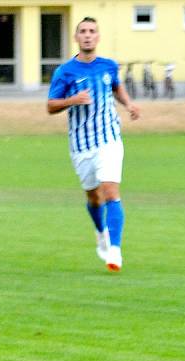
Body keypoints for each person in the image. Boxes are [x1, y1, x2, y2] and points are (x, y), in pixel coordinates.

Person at [47, 17, 139, 272]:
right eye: (83, 32)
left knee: (111, 192)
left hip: (109, 139)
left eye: (92, 31)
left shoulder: (108, 66)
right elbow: (50, 106)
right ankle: (101, 234)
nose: (88, 35)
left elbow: (117, 88)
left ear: (98, 37)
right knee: (93, 195)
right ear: (76, 38)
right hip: (81, 144)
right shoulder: (64, 72)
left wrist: (129, 104)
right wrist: (72, 99)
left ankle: (115, 251)